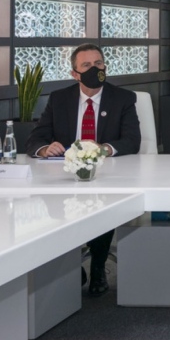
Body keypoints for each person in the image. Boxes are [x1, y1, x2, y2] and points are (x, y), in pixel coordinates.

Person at [26, 43, 141, 296]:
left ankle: (98, 265)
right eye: (87, 65)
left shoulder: (122, 98)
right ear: (74, 74)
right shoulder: (59, 99)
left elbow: (132, 141)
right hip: (65, 174)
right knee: (56, 209)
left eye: (98, 64)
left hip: (107, 174)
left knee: (103, 208)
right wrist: (45, 149)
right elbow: (36, 138)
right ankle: (71, 266)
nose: (94, 69)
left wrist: (104, 149)